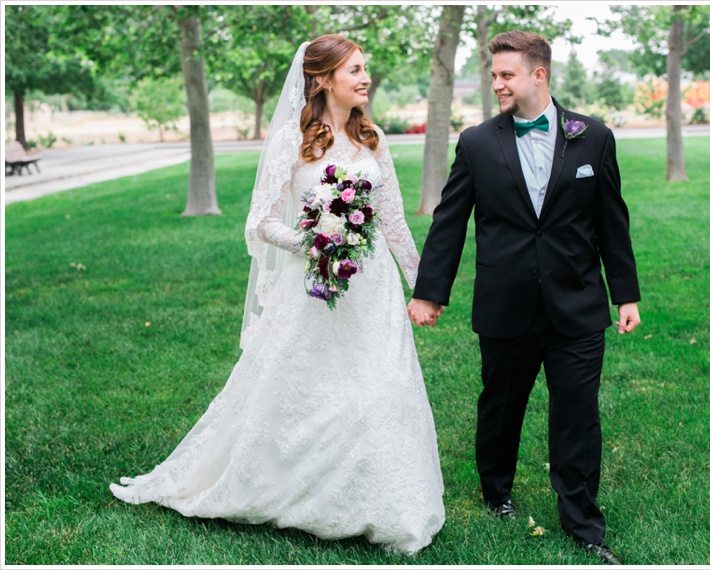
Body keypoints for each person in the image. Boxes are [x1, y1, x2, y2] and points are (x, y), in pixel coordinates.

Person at [110, 35, 445, 554]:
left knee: (381, 386)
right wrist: (314, 241)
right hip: (311, 285)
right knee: (303, 389)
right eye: (353, 70)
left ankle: (391, 507)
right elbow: (262, 221)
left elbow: (394, 221)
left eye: (365, 69)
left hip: (371, 289)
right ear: (322, 79)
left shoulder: (373, 137)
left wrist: (423, 286)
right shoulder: (294, 138)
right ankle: (287, 488)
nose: (364, 78)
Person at [407, 31, 640, 565]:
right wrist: (430, 293)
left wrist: (625, 294)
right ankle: (497, 491)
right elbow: (449, 224)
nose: (497, 85)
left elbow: (611, 221)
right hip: (505, 301)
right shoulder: (477, 143)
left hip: (578, 304)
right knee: (502, 404)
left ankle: (582, 521)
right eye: (493, 76)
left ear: (539, 75)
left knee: (578, 414)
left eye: (506, 75)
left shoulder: (594, 137)